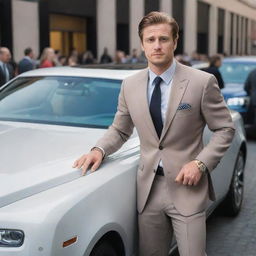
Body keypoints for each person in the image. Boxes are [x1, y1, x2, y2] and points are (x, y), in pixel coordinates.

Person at [73, 12, 235, 256]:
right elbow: (120, 128)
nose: (157, 45)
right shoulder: (130, 85)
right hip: (149, 190)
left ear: (175, 41)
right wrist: (99, 149)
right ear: (142, 44)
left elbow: (225, 128)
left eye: (163, 39)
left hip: (187, 188)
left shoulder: (202, 82)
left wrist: (200, 163)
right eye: (150, 40)